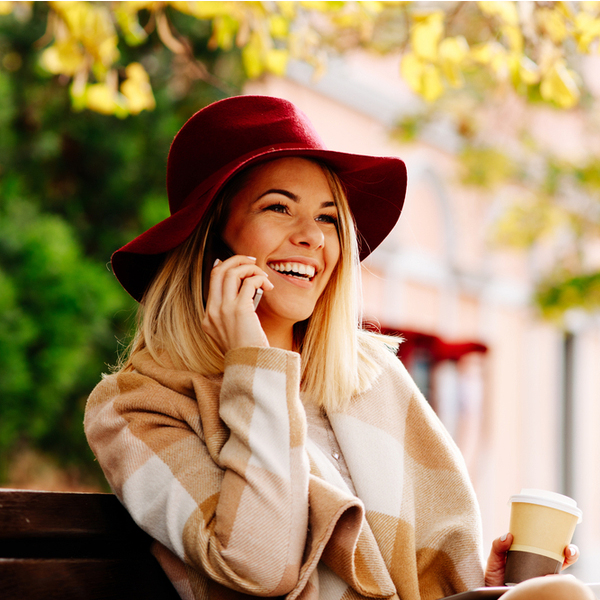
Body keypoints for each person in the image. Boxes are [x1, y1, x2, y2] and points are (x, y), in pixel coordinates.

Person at [84, 95, 592, 600]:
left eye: (328, 218)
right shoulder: (133, 407)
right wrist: (255, 365)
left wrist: (489, 586)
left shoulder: (370, 373)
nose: (312, 238)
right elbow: (261, 566)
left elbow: (420, 573)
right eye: (279, 207)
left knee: (564, 593)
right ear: (213, 237)